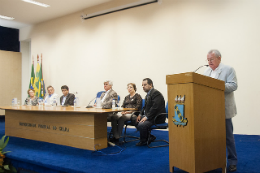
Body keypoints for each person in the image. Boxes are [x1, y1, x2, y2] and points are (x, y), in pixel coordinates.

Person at [204, 49, 238, 172]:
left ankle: (233, 161)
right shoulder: (206, 71)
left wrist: (217, 85)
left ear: (219, 58)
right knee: (211, 137)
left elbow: (234, 85)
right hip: (210, 111)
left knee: (228, 137)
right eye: (208, 60)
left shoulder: (228, 69)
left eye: (211, 59)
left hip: (223, 109)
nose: (209, 62)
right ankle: (214, 159)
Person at [136, 78, 166, 146]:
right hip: (151, 116)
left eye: (145, 85)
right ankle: (149, 137)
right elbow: (144, 107)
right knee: (136, 120)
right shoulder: (148, 94)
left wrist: (146, 117)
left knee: (141, 124)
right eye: (142, 85)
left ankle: (144, 141)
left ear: (150, 85)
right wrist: (140, 114)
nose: (143, 86)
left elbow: (155, 108)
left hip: (157, 117)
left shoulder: (156, 93)